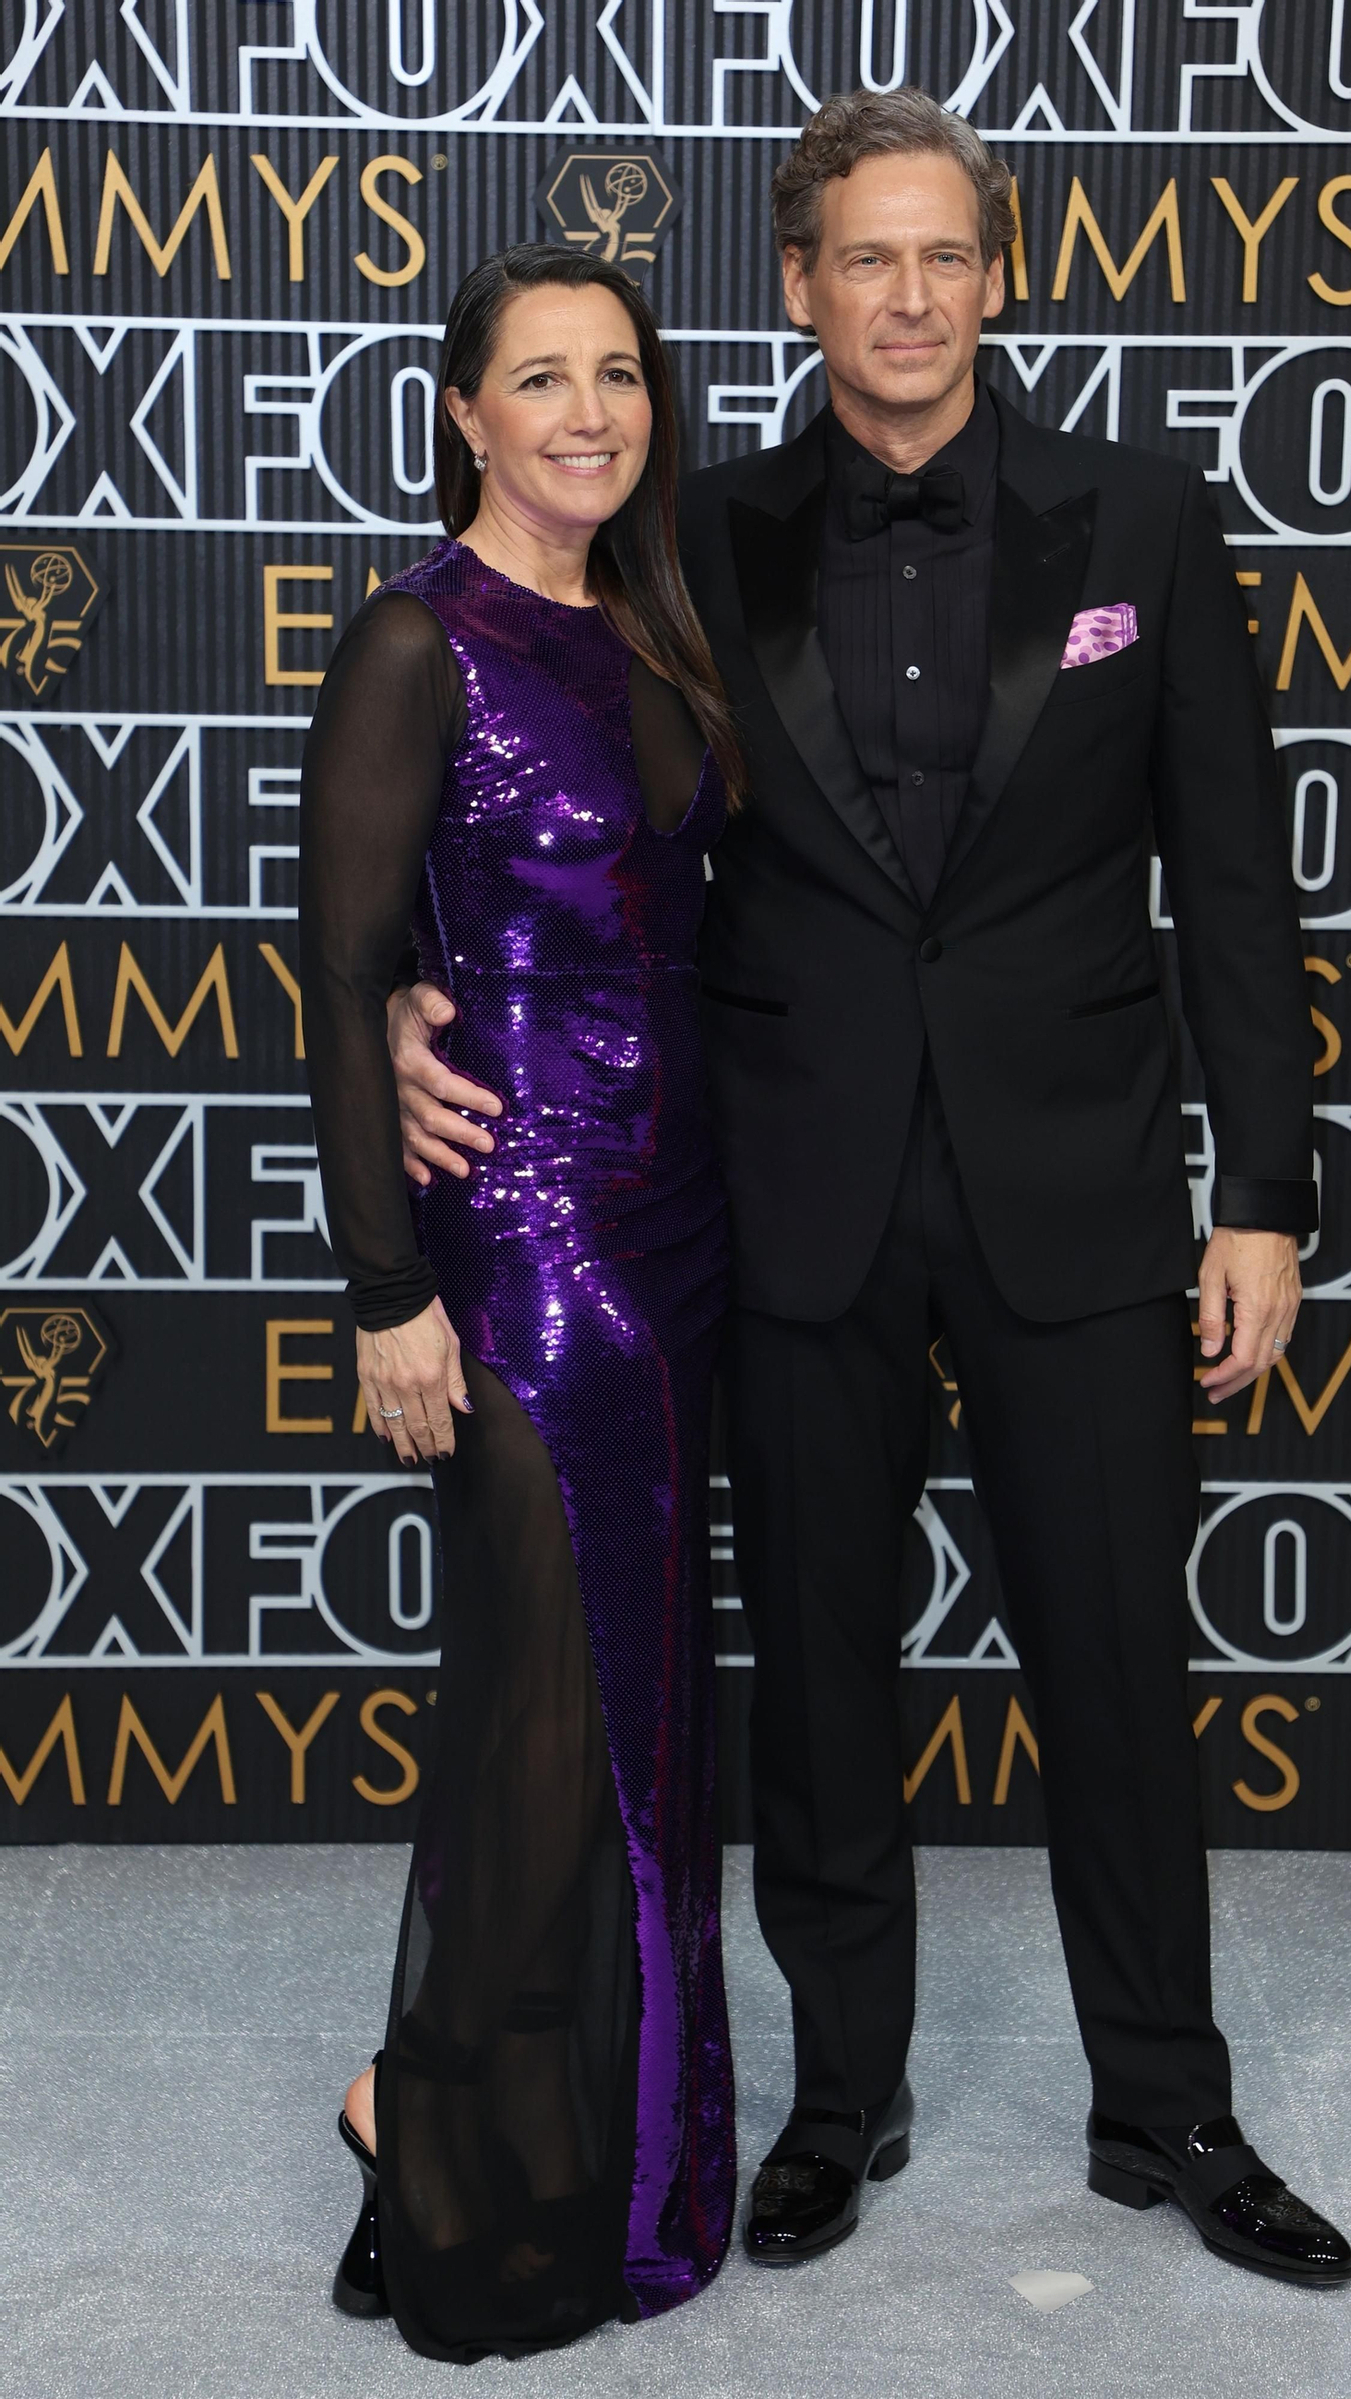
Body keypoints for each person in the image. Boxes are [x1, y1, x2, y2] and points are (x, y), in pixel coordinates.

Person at [386, 90, 1351, 2288]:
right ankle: (839, 2099)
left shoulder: (1140, 520)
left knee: (1112, 1664)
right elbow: (537, 801)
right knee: (818, 1680)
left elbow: (1230, 878)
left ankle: (1168, 2106)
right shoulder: (688, 541)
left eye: (944, 258)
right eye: (861, 261)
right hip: (785, 1193)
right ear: (800, 284)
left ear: (993, 278)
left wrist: (1264, 1194)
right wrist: (392, 1005)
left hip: (1084, 1200)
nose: (905, 298)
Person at [297, 243, 743, 2361]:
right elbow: (337, 967)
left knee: (633, 1716)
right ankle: (431, 2114)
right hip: (523, 1251)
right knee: (544, 1721)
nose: (586, 412)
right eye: (539, 380)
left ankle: (574, 2122)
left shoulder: (649, 626)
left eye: (619, 378)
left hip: (680, 1241)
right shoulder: (416, 643)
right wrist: (386, 1284)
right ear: (464, 413)